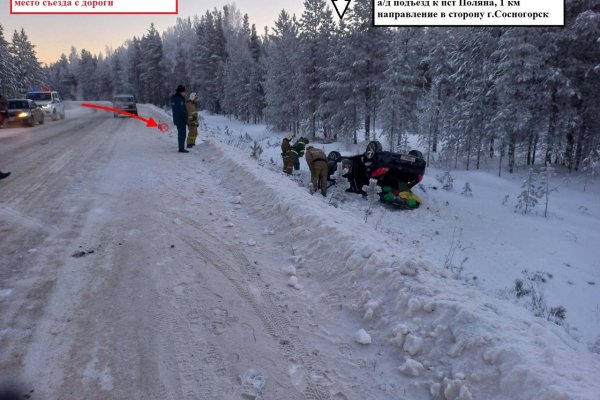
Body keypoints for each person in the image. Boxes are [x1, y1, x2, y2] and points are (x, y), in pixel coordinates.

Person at [170, 85, 189, 153]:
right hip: (180, 119)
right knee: (182, 134)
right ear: (181, 92)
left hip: (177, 118)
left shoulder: (175, 98)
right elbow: (182, 110)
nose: (185, 93)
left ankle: (181, 147)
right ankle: (181, 148)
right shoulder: (178, 99)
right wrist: (186, 117)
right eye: (184, 92)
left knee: (181, 133)